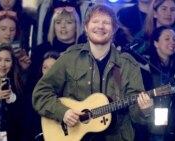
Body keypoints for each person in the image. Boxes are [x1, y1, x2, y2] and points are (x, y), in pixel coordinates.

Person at [32, 4, 153, 141]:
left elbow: (137, 116)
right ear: (85, 27)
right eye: (95, 21)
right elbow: (40, 93)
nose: (100, 26)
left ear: (114, 29)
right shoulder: (70, 58)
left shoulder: (127, 64)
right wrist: (62, 112)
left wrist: (145, 110)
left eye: (106, 22)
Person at [0, 43, 25, 141]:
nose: (2, 64)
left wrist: (14, 101)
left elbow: (22, 119)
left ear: (12, 64)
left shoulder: (18, 84)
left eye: (7, 60)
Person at [22, 51, 60, 141]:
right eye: (45, 67)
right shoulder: (34, 93)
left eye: (53, 67)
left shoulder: (68, 91)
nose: (48, 71)